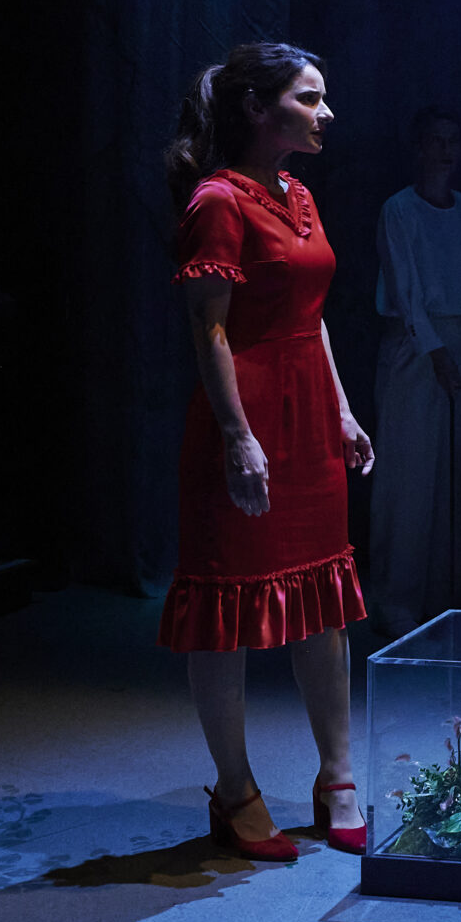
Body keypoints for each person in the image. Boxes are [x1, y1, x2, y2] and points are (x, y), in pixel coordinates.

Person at [162, 43, 377, 861]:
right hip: (245, 420)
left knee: (323, 605)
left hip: (309, 420)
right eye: (311, 98)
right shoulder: (218, 200)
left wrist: (345, 411)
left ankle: (339, 775)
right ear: (260, 107)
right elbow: (206, 326)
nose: (326, 114)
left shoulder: (301, 195)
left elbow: (313, 314)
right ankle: (235, 788)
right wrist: (236, 434)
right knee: (228, 615)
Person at [369, 106, 461, 638]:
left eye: (453, 140)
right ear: (418, 147)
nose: (445, 150)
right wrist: (436, 356)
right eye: (435, 140)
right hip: (417, 352)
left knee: (457, 473)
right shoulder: (400, 211)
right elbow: (407, 296)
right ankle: (396, 599)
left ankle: (446, 594)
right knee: (410, 477)